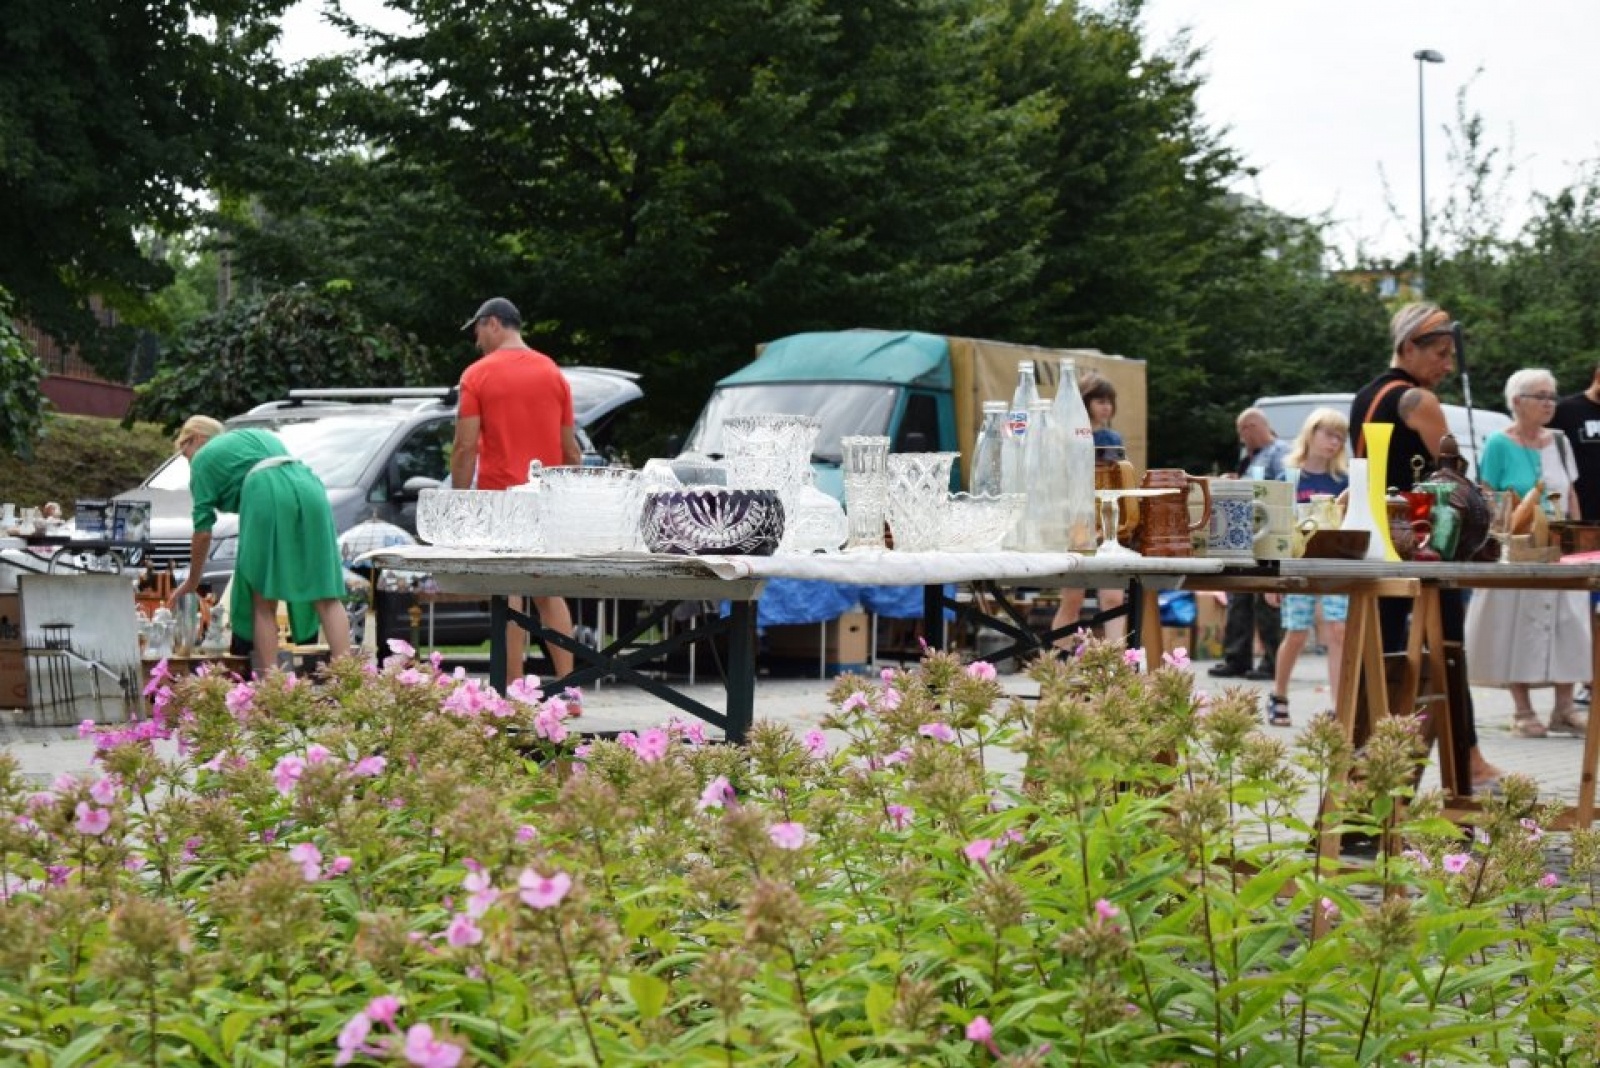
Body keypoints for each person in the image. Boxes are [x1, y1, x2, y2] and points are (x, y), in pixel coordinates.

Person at [1350, 301, 1499, 788]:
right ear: (1409, 347)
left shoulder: (1365, 396)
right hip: (1423, 548)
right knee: (1447, 652)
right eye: (1440, 354)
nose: (1447, 366)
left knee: (1382, 659)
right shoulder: (1418, 401)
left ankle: (1368, 767)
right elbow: (1455, 478)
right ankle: (1468, 765)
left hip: (1374, 544)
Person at [452, 297, 582, 680]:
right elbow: (571, 450)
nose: (476, 341)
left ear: (493, 323)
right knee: (548, 592)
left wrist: (459, 500)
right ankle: (568, 687)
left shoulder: (476, 375)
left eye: (477, 331)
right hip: (546, 500)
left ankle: (511, 690)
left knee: (509, 594)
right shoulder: (553, 374)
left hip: (501, 501)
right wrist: (570, 498)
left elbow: (464, 447)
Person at [168, 415, 352, 674]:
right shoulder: (253, 437)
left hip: (265, 491)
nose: (190, 463)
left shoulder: (203, 458)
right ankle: (349, 677)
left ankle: (271, 683)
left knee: (263, 598)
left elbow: (203, 532)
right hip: (310, 485)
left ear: (196, 438)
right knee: (326, 595)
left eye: (185, 453)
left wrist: (192, 581)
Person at [1464, 369, 1591, 737]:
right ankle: (1522, 710)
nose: (1550, 403)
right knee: (1515, 625)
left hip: (1559, 548)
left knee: (1569, 626)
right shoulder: (1498, 444)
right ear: (1517, 401)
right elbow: (1487, 495)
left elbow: (1571, 494)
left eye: (1553, 396)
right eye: (1541, 396)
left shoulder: (1560, 442)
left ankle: (1565, 708)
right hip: (1518, 548)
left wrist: (1578, 540)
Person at [1263, 408, 1349, 727]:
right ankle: (1279, 694)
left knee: (1338, 630)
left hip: (1333, 565)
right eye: (1329, 434)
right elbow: (1272, 529)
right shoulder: (1287, 477)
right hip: (1296, 564)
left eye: (1340, 437)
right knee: (1297, 632)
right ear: (1311, 433)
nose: (1334, 442)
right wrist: (1271, 577)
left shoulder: (1344, 481)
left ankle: (1339, 706)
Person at [1208, 407, 1290, 680]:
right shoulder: (1249, 456)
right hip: (1245, 532)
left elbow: (1283, 488)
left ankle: (1272, 661)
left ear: (1252, 427)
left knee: (1265, 599)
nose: (1241, 437)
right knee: (1238, 595)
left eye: (1242, 430)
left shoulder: (1280, 452)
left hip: (1268, 530)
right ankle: (1237, 658)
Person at [1052, 371, 1127, 647]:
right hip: (1076, 522)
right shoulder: (1066, 436)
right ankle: (1058, 663)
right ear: (1085, 402)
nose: (1106, 407)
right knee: (1073, 597)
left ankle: (1118, 661)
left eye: (1109, 401)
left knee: (1114, 598)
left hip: (1107, 520)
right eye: (1100, 401)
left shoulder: (1113, 437)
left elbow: (1121, 478)